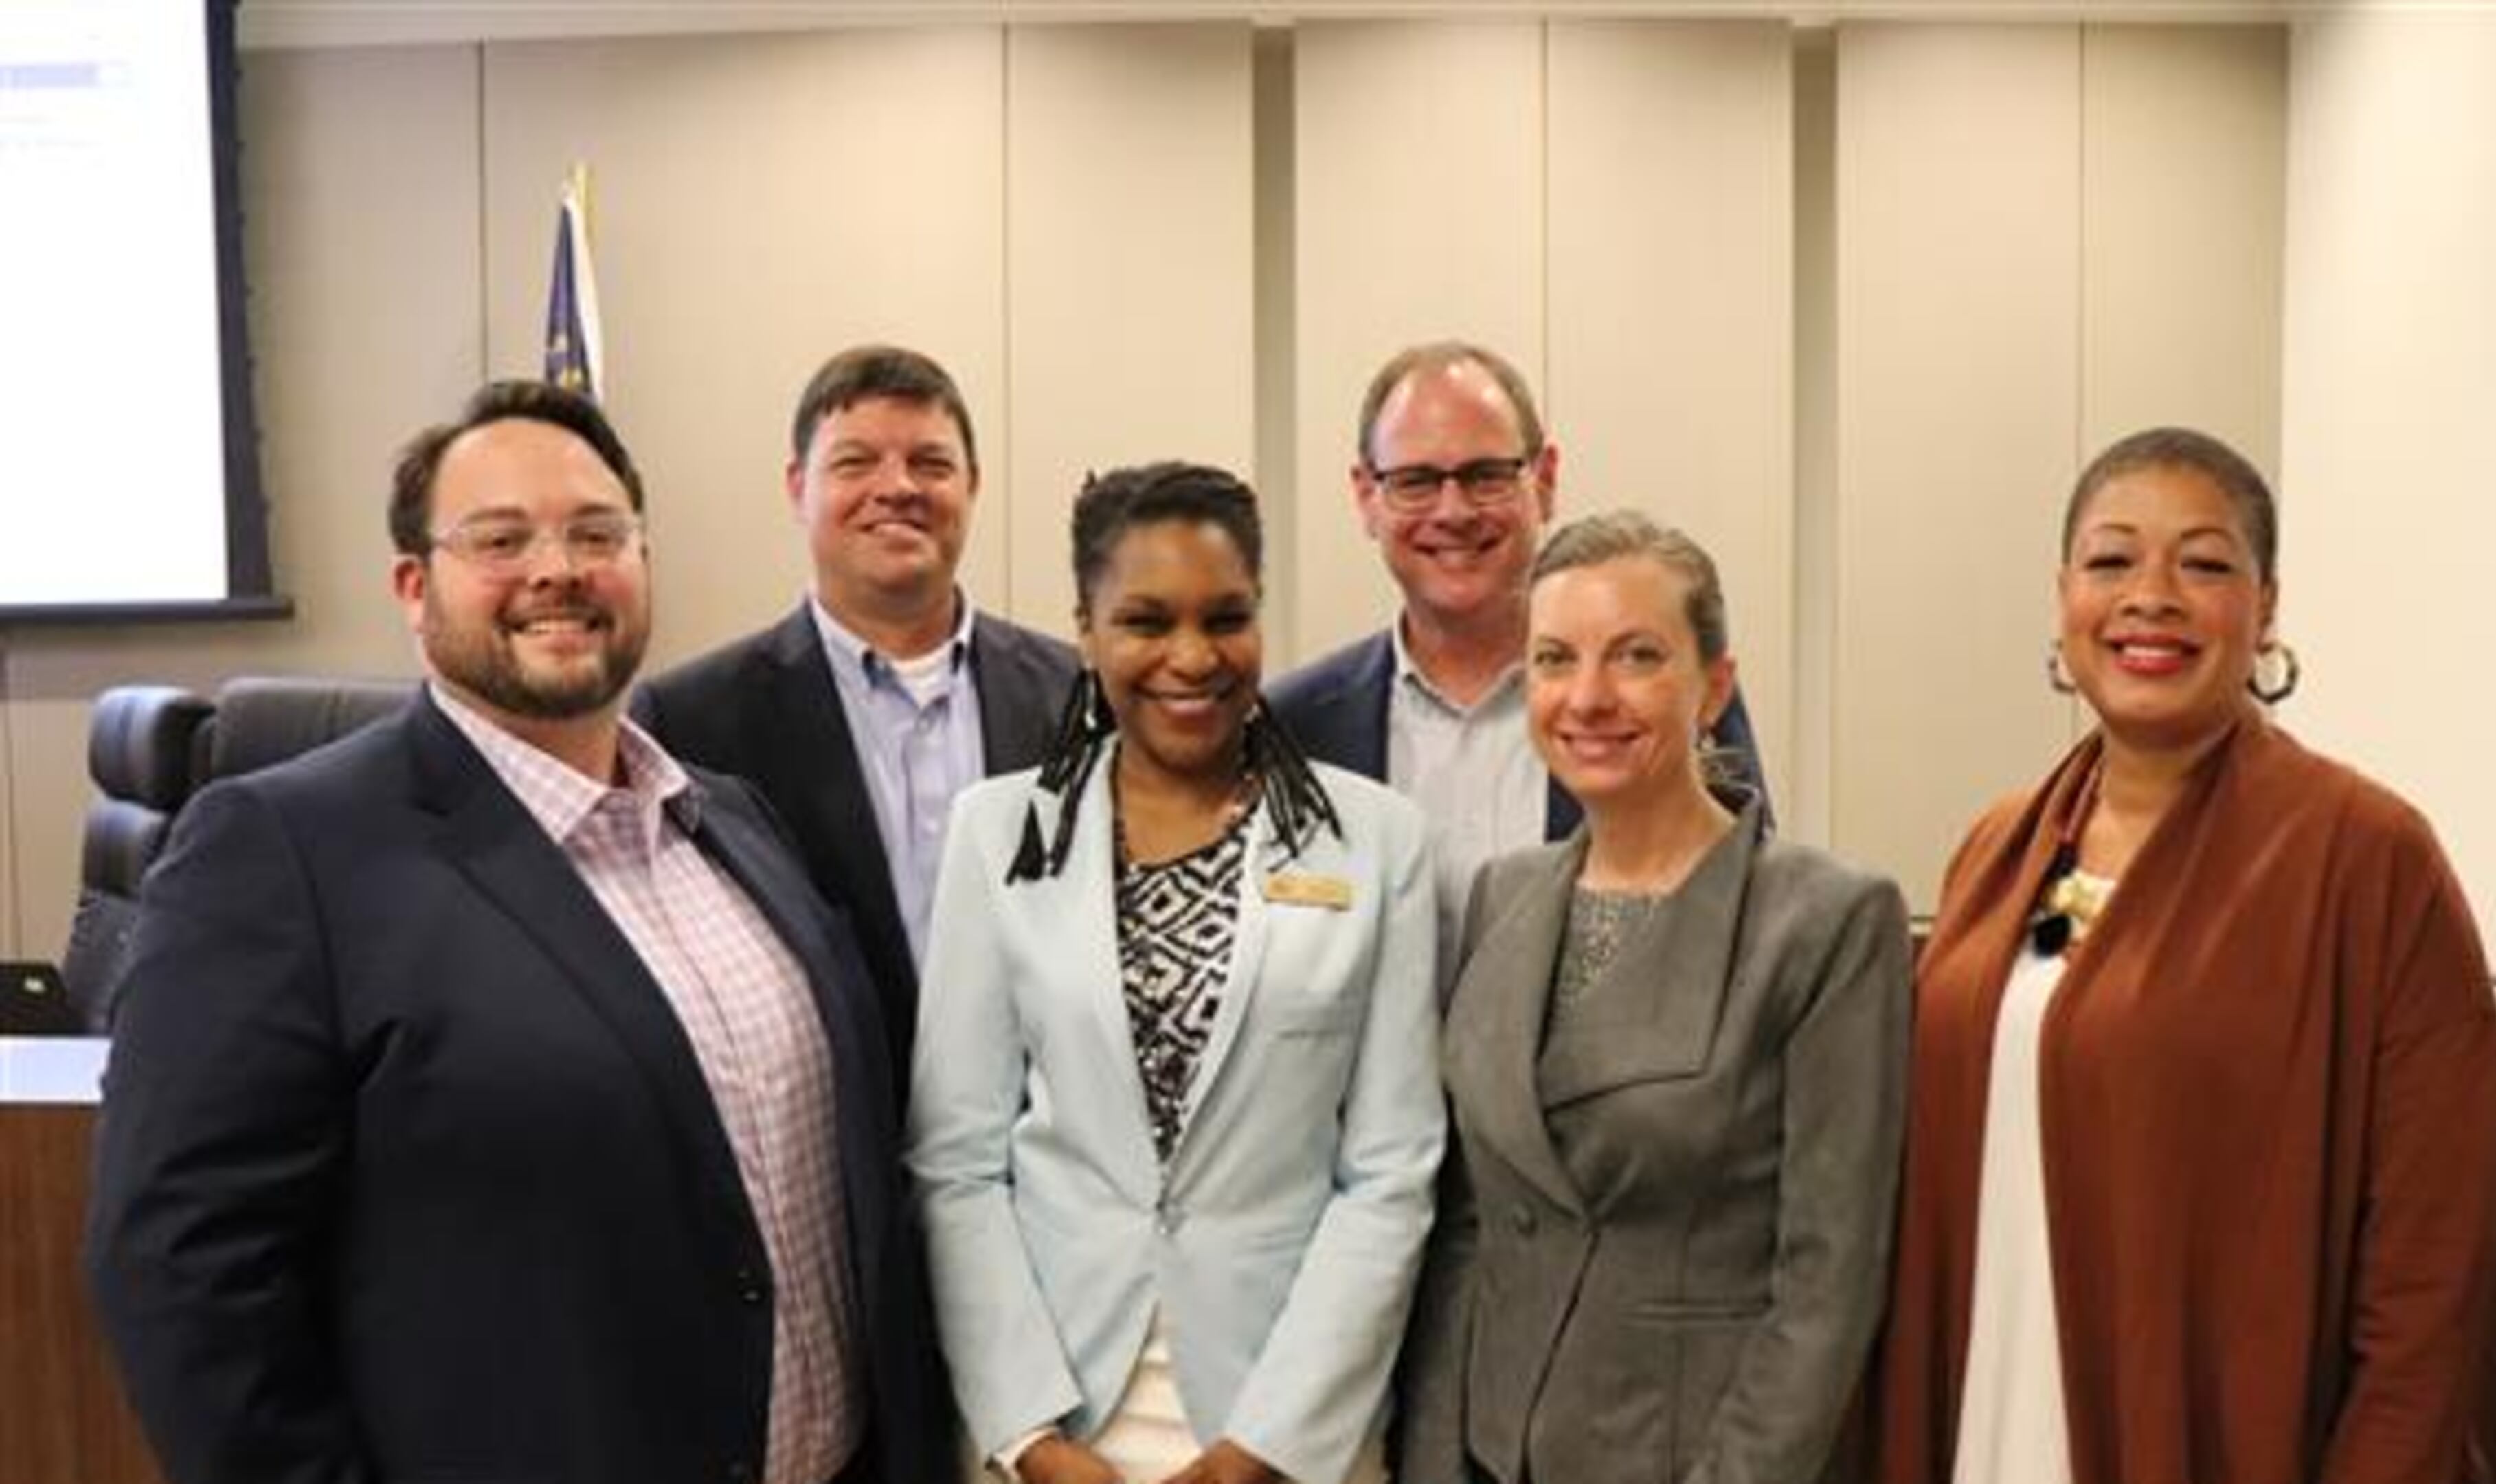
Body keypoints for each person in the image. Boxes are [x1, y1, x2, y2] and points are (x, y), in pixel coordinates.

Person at [85, 381, 943, 1484]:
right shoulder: (279, 853)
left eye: (598, 533)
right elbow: (178, 1271)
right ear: (414, 585)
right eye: (500, 539)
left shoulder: (733, 819)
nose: (558, 569)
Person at [1873, 427, 2496, 1484]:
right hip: (1995, 1402)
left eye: (2205, 564)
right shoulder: (2003, 844)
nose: (2151, 596)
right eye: (2112, 560)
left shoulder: (2367, 857)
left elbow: (2429, 1276)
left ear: (2265, 611)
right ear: (2062, 595)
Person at [910, 462, 1443, 1484]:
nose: (1192, 657)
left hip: (1291, 1424)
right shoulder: (1000, 833)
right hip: (1059, 1416)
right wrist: (1031, 1438)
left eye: (1226, 618)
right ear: (1087, 630)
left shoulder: (1375, 844)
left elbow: (1389, 1173)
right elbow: (956, 1163)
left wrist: (1267, 1446)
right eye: (1146, 622)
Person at [1401, 510, 1911, 1484]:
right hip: (1497, 1457)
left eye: (1637, 657)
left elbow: (1828, 1285)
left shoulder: (1825, 921)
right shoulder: (1502, 895)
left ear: (1713, 687)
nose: (1587, 698)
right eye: (1553, 660)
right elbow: (1469, 1232)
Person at [638, 344, 1079, 1097]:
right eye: (855, 464)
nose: (897, 488)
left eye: (931, 464)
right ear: (796, 486)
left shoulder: (1075, 694)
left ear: (973, 486)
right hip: (824, 1143)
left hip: (1040, 1150)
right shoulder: (688, 723)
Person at [1269, 340, 1768, 986]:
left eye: (1485, 476)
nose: (1453, 511)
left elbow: (1744, 915)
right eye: (1416, 481)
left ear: (1546, 480)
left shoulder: (1655, 699)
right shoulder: (1292, 726)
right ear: (1367, 497)